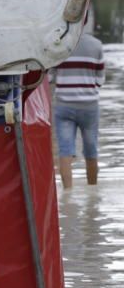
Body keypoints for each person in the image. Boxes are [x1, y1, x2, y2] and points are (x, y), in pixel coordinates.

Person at [52, 31, 105, 188]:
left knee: (65, 150)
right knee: (91, 149)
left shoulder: (58, 45)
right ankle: (93, 192)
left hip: (64, 105)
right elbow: (100, 80)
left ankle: (68, 195)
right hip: (89, 106)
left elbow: (49, 78)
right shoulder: (96, 45)